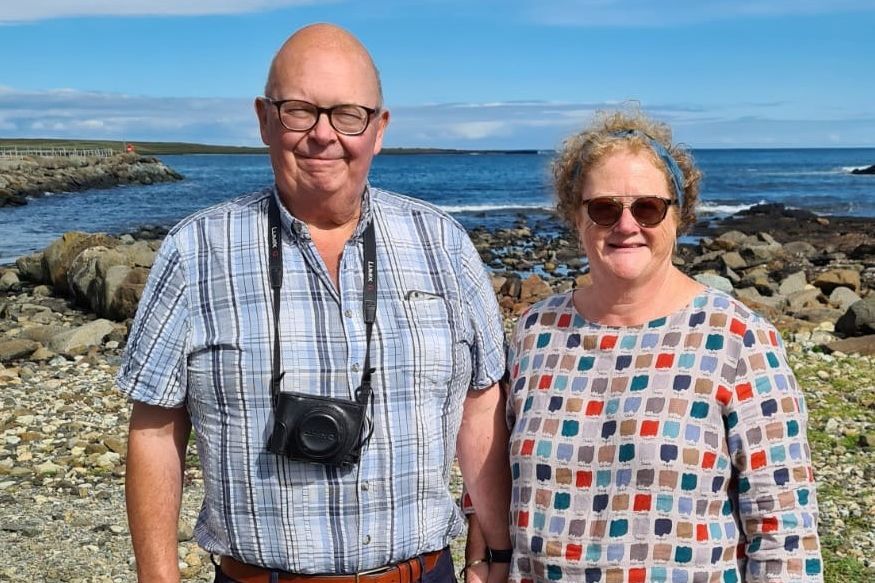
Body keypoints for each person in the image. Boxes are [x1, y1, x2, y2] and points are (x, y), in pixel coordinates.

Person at [118, 23, 512, 583]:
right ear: (263, 119)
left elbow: (479, 406)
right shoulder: (195, 250)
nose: (323, 135)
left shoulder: (443, 243)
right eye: (299, 110)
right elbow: (155, 428)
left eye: (348, 114)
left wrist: (494, 549)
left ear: (379, 129)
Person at [465, 110, 823, 582]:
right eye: (604, 208)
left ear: (679, 214)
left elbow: (784, 530)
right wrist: (483, 560)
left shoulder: (738, 337)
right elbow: (494, 473)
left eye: (648, 208)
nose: (626, 224)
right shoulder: (535, 328)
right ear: (577, 216)